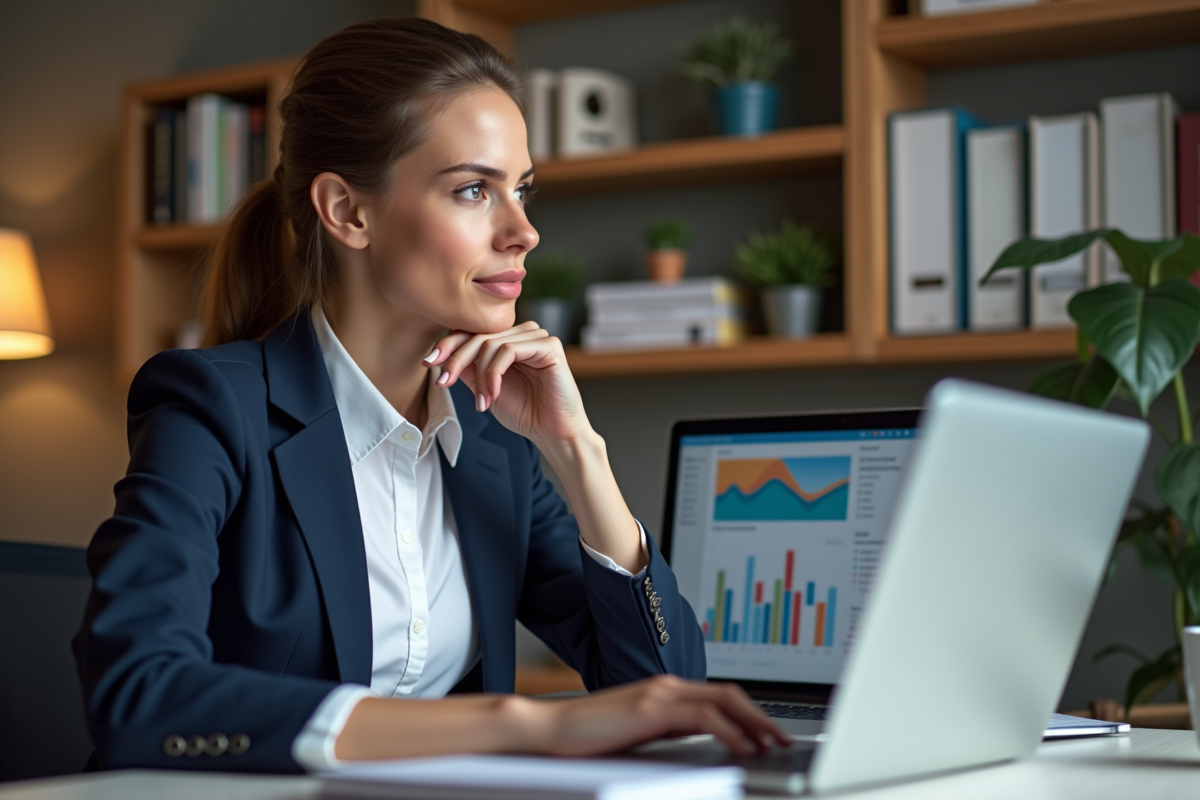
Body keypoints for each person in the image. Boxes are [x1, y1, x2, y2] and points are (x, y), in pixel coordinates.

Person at [73, 17, 787, 773]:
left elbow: (666, 697)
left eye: (523, 191)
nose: (524, 232)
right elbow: (136, 695)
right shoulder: (213, 407)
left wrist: (577, 451)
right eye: (475, 190)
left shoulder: (490, 441)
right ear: (348, 211)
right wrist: (513, 727)